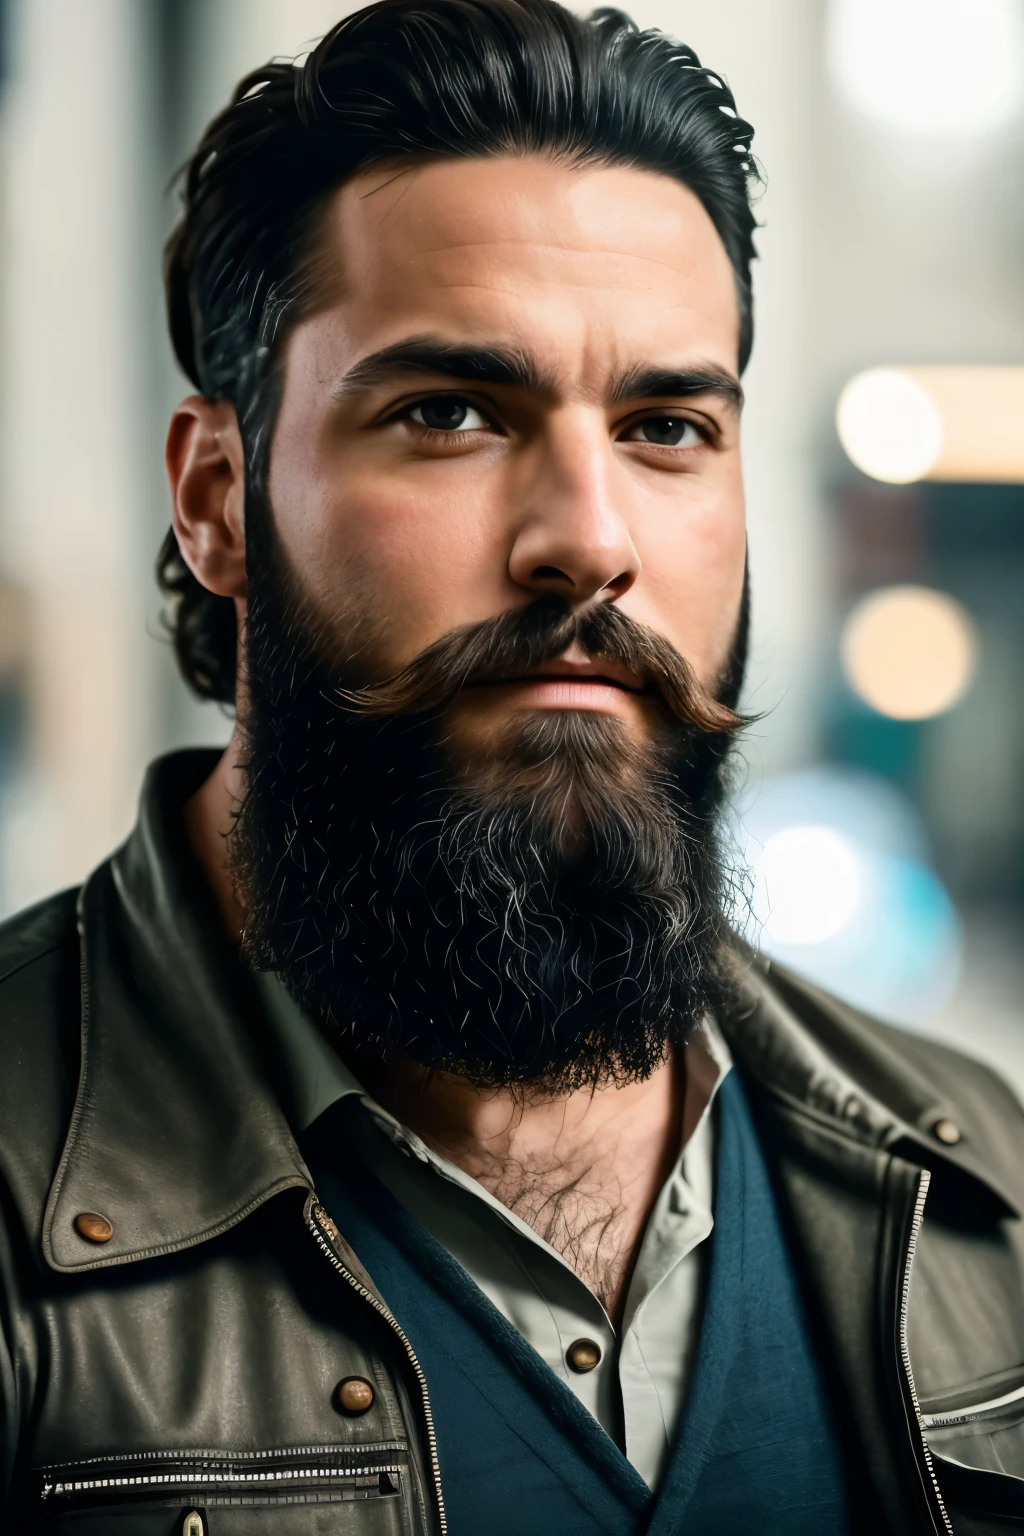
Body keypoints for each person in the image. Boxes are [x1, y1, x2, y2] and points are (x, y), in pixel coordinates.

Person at [2, 1, 1023, 1530]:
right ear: (218, 498)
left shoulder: (985, 1193)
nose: (590, 542)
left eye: (668, 426)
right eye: (452, 413)